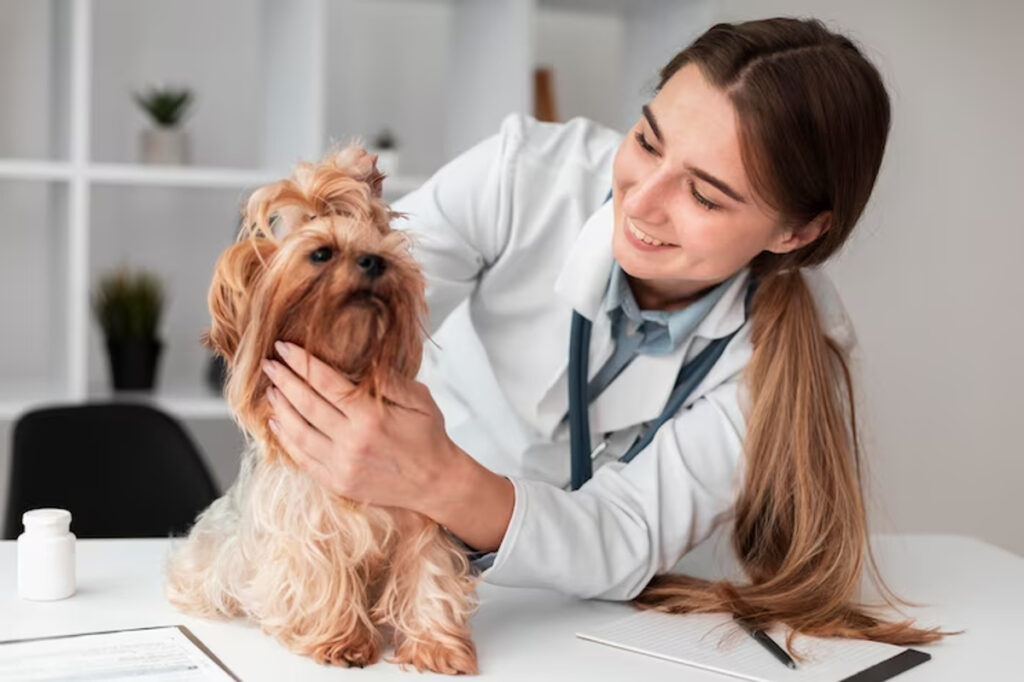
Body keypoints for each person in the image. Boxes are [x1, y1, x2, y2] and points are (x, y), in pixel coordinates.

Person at [262, 17, 946, 644]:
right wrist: (327, 240)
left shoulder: (794, 352)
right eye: (647, 141)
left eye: (705, 194)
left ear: (797, 231)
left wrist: (443, 481)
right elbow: (324, 316)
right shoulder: (524, 175)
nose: (642, 202)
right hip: (403, 573)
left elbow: (628, 533)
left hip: (619, 625)